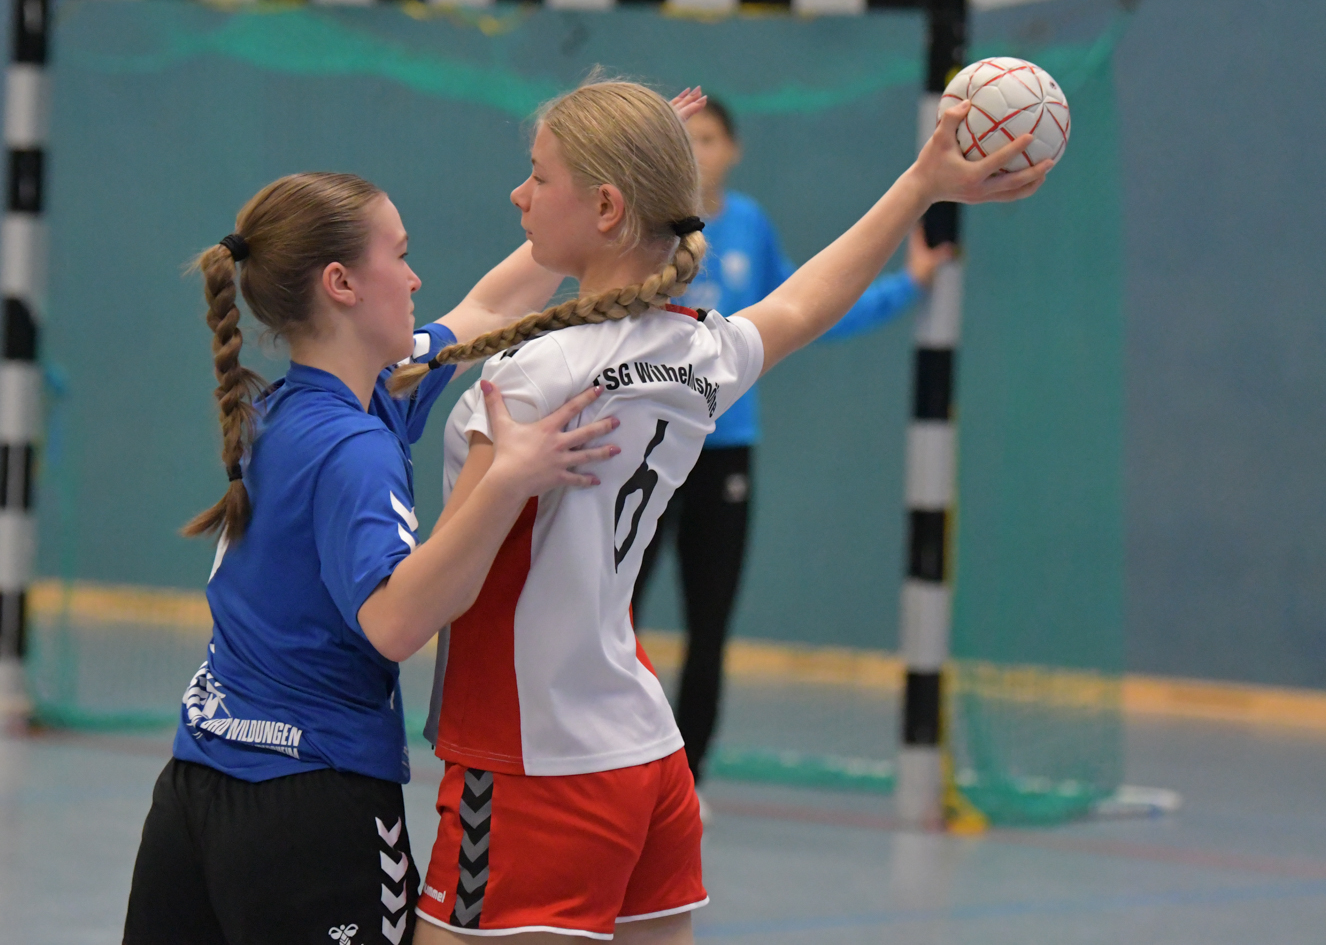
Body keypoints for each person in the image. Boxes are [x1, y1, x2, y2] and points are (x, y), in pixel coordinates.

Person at [398, 80, 1045, 943]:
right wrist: (919, 184)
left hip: (533, 761)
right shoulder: (699, 349)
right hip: (649, 758)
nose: (520, 194)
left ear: (607, 206)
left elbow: (436, 593)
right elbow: (805, 303)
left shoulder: (527, 379)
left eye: (539, 176)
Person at [121, 171, 624, 945]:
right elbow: (393, 622)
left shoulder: (300, 404)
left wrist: (591, 194)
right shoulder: (353, 447)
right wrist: (507, 480)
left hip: (195, 788)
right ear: (342, 283)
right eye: (401, 254)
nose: (417, 278)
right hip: (311, 806)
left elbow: (491, 308)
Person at [629, 97, 957, 803]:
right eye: (686, 138)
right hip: (647, 445)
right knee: (614, 610)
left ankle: (686, 783)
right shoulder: (648, 228)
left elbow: (810, 303)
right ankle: (613, 766)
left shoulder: (749, 225)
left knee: (710, 626)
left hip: (724, 454)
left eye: (710, 138)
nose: (699, 150)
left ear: (733, 150)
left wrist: (908, 285)